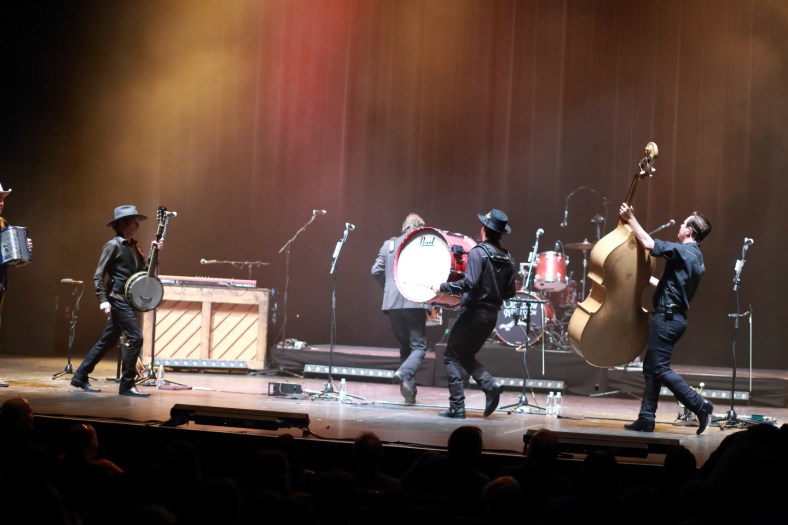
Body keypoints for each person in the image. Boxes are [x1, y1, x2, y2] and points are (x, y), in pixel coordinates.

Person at [619, 203, 714, 434]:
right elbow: (668, 285)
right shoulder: (695, 257)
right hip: (674, 318)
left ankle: (699, 405)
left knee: (659, 369)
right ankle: (646, 418)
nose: (680, 226)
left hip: (668, 318)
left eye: (683, 224)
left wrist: (631, 218)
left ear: (689, 231)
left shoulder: (683, 251)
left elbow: (649, 244)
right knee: (652, 368)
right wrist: (643, 278)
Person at [431, 209, 516, 418]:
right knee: (466, 355)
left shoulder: (479, 252)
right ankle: (490, 386)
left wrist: (442, 287)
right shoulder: (508, 258)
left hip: (473, 313)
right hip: (491, 316)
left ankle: (457, 407)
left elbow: (469, 283)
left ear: (484, 229)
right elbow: (510, 293)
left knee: (451, 356)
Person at [70, 205, 163, 397]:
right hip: (117, 299)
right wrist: (103, 299)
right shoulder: (113, 245)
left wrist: (155, 251)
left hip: (128, 300)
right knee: (136, 338)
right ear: (123, 224)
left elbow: (145, 272)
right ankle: (127, 384)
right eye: (133, 221)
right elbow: (98, 275)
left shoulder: (135, 247)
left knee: (108, 340)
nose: (138, 224)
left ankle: (80, 375)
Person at [371, 212, 432, 403]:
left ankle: (409, 391)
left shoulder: (388, 245)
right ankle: (404, 373)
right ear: (420, 229)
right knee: (419, 347)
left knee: (406, 346)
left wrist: (389, 287)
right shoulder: (423, 245)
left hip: (392, 303)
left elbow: (375, 270)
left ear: (404, 228)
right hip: (414, 301)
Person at [0, 182, 33, 387]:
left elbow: (10, 257)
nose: (1, 203)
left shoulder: (2, 223)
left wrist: (23, 249)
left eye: (2, 199)